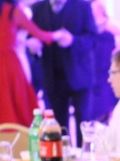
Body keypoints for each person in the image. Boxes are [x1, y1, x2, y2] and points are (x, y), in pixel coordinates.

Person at [0, 0, 54, 134]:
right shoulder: (13, 11)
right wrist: (57, 35)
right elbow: (41, 35)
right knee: (15, 105)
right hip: (7, 64)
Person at [31, 0, 97, 146]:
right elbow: (31, 37)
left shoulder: (83, 6)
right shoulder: (37, 8)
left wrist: (73, 40)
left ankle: (84, 156)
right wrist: (33, 47)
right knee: (57, 125)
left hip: (80, 75)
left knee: (84, 121)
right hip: (52, 77)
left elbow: (93, 39)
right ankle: (61, 156)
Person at [89, 0, 117, 123]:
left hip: (104, 69)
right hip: (93, 71)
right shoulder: (89, 28)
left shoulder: (108, 32)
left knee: (105, 100)